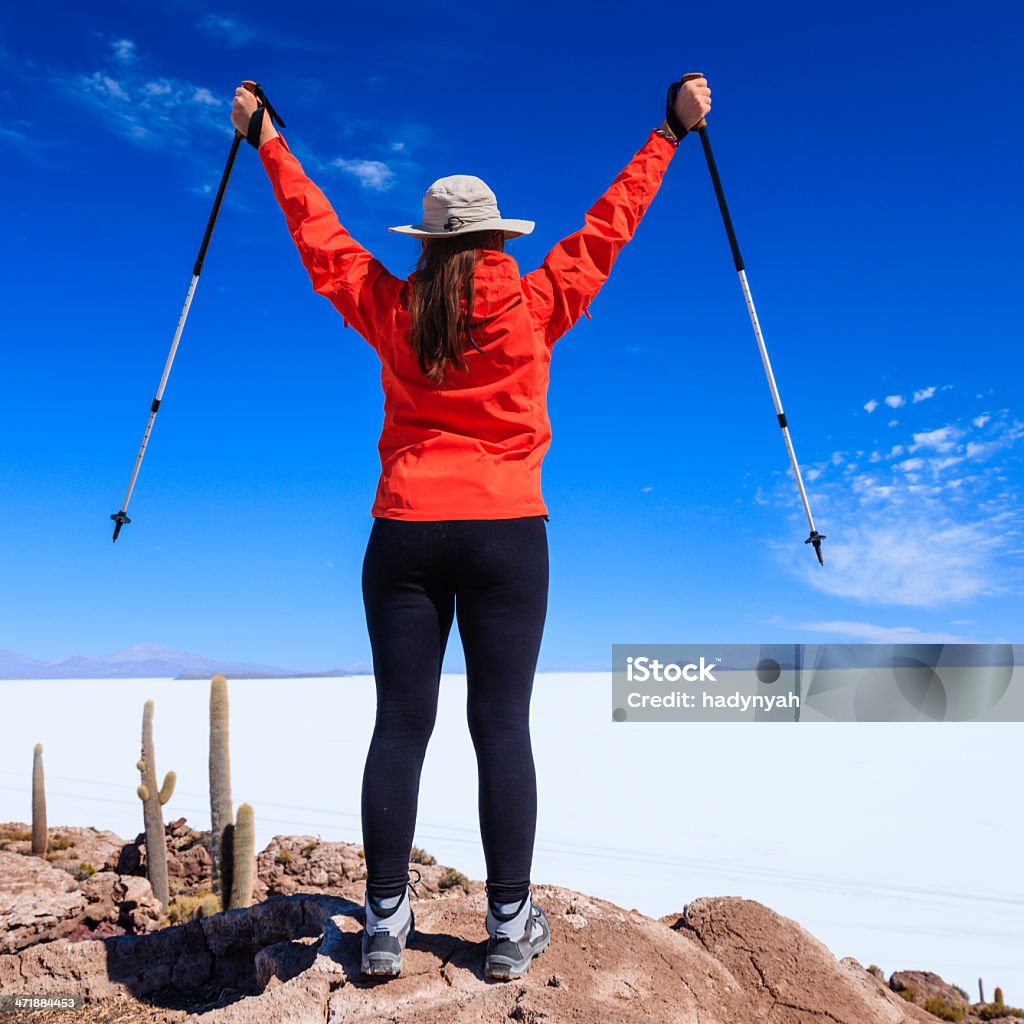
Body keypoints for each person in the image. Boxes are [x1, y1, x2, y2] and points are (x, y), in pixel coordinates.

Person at [230, 73, 711, 981]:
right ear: (496, 240)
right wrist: (668, 133)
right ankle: (505, 925)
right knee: (501, 725)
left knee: (401, 724)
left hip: (404, 531)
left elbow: (323, 242)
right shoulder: (534, 304)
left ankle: (379, 925)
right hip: (506, 535)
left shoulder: (395, 307)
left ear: (429, 244)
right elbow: (609, 229)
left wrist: (266, 140)